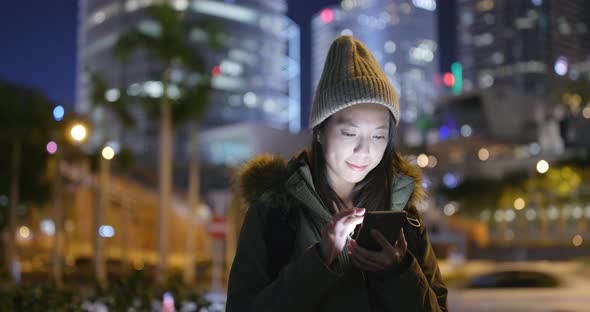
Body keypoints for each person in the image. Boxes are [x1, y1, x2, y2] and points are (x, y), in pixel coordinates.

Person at [226, 35, 448, 311]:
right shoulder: (274, 212)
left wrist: (399, 272)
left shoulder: (403, 213)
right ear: (320, 130)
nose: (364, 151)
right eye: (349, 133)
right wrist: (320, 259)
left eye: (378, 136)